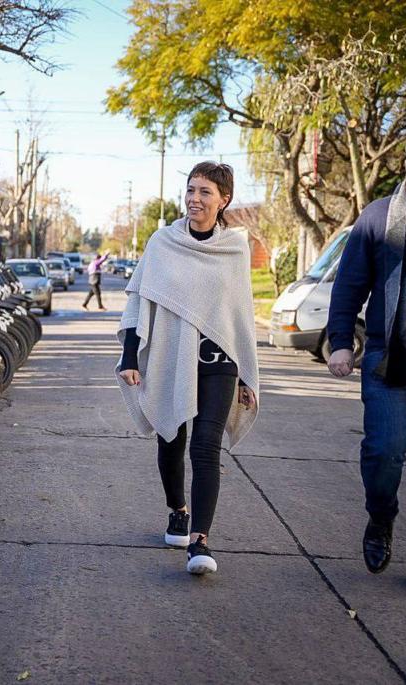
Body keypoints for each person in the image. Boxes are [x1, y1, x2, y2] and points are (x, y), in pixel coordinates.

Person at [116, 161, 259, 576]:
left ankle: (200, 542)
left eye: (205, 192)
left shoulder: (235, 248)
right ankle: (178, 510)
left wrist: (246, 375)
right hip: (170, 357)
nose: (195, 199)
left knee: (206, 446)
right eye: (191, 190)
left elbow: (240, 315)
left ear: (223, 200)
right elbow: (140, 298)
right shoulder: (163, 242)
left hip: (220, 364)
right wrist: (130, 356)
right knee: (171, 440)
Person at [326, 124, 406, 598]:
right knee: (383, 453)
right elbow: (349, 284)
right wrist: (340, 341)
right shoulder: (379, 216)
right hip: (392, 360)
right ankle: (381, 515)